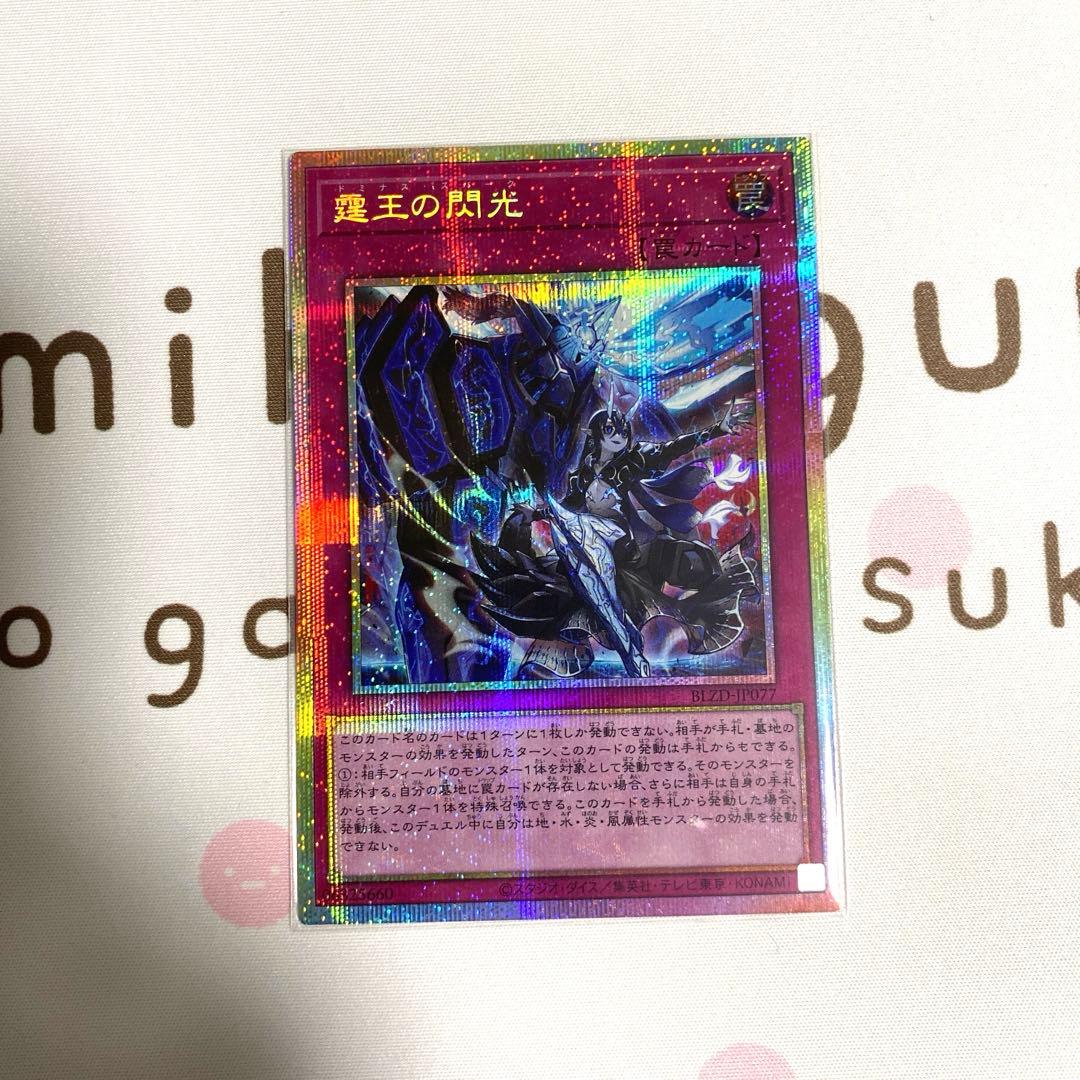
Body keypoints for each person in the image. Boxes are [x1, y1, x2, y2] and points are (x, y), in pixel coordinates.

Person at [469, 397, 758, 678]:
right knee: (556, 577)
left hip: (629, 547)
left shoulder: (632, 461)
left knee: (690, 562)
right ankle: (597, 641)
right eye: (611, 429)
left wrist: (716, 430)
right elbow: (568, 508)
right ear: (597, 435)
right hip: (592, 551)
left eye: (622, 429)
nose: (619, 434)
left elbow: (670, 449)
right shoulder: (580, 478)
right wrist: (535, 514)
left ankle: (721, 589)